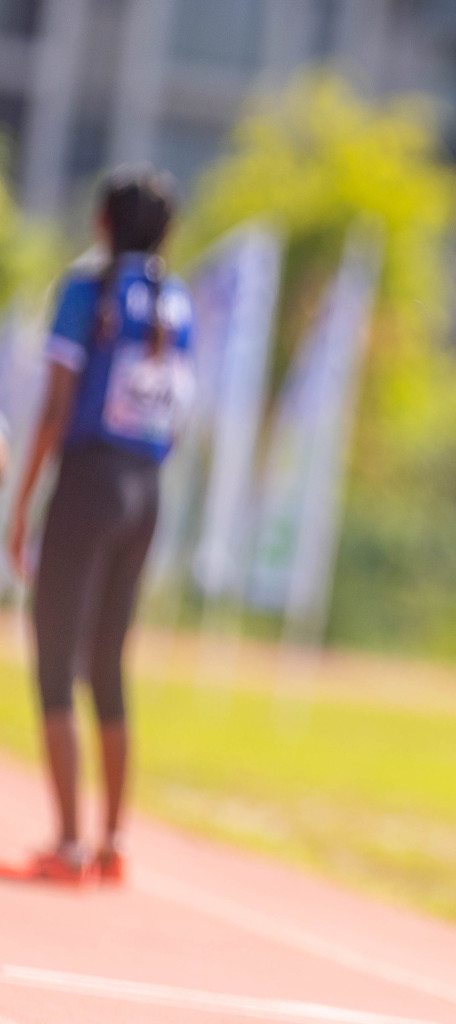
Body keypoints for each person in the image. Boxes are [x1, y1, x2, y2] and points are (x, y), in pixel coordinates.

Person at [4, 166, 193, 887]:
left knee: (56, 660)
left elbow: (54, 409)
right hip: (146, 489)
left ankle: (67, 843)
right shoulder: (177, 303)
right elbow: (179, 412)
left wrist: (22, 504)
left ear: (102, 223)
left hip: (87, 483)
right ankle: (113, 841)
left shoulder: (86, 292)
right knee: (108, 662)